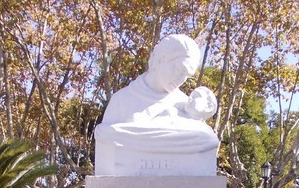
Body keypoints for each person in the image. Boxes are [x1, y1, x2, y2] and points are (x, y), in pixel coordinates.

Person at [94, 34, 220, 176]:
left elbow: (206, 141)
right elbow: (106, 136)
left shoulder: (186, 107)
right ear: (161, 59)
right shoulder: (121, 102)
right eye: (180, 70)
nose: (182, 80)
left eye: (187, 75)